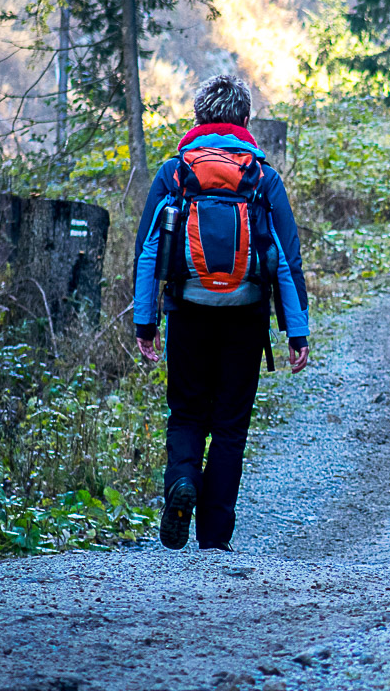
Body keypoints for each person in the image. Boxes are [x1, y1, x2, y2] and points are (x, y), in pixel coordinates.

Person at [132, 74, 310, 552]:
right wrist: (297, 331)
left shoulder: (174, 173)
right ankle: (214, 535)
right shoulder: (263, 177)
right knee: (231, 424)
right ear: (246, 120)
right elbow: (288, 261)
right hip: (245, 316)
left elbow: (149, 252)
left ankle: (182, 482)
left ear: (198, 118)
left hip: (187, 310)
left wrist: (145, 323)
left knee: (187, 412)